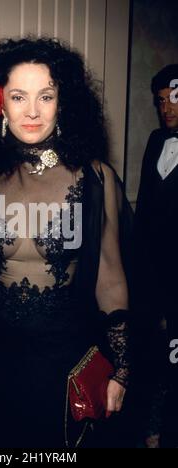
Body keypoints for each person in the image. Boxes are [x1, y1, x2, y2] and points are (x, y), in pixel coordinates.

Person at [0, 36, 133, 448]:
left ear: (63, 102)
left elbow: (110, 279)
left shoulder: (95, 179)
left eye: (46, 96)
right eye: (19, 96)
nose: (33, 111)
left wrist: (122, 369)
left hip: (66, 360)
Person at [133, 64, 178, 448]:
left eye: (173, 99)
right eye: (160, 101)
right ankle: (149, 431)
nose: (166, 108)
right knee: (151, 359)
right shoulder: (153, 140)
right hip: (150, 277)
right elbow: (145, 210)